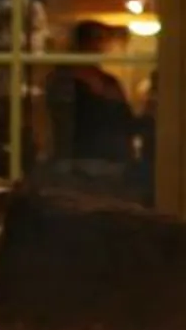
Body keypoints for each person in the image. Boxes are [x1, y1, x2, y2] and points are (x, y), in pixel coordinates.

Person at [45, 20, 147, 198]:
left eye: (103, 40)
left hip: (115, 166)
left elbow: (126, 121)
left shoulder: (109, 82)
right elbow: (58, 123)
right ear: (80, 44)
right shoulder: (64, 81)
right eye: (96, 39)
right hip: (78, 165)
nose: (100, 46)